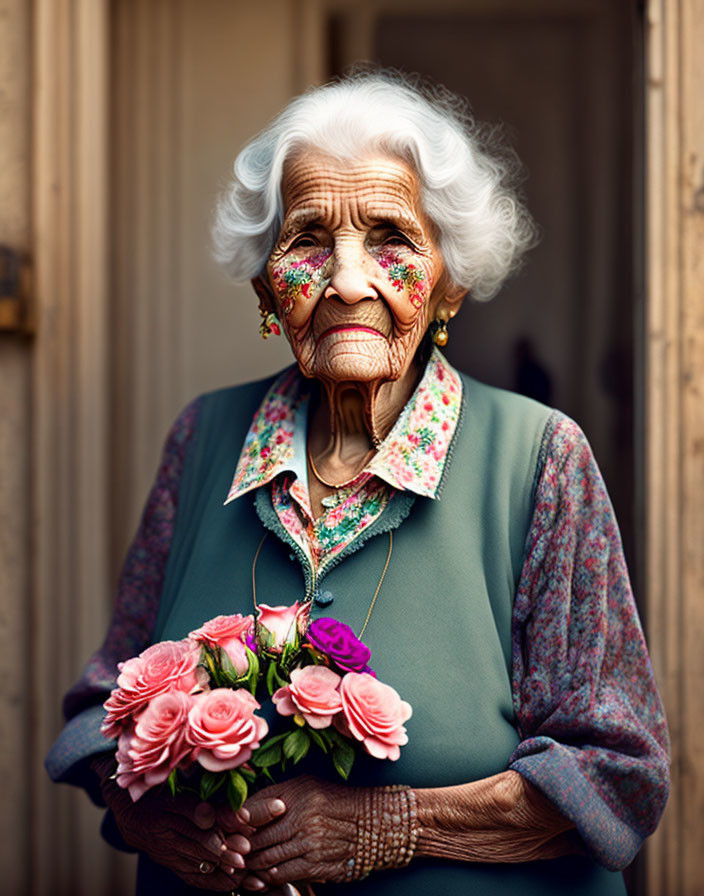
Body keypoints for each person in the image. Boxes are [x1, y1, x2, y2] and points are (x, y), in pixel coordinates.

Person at [46, 70, 669, 896]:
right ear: (268, 284)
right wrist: (143, 812)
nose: (345, 281)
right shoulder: (202, 440)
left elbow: (616, 771)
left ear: (449, 277)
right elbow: (100, 708)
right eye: (308, 241)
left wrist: (392, 826)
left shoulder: (540, 458)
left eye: (390, 239)